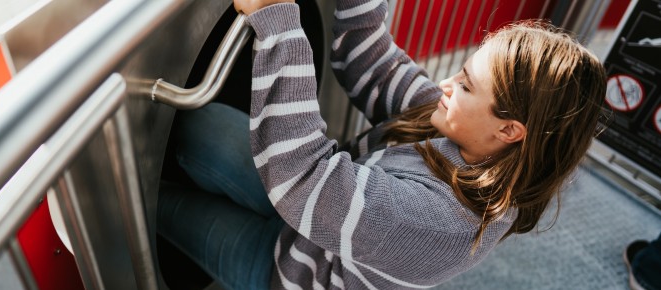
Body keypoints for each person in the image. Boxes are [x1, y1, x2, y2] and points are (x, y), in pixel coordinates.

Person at [157, 0, 608, 289]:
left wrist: (276, 19)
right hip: (316, 210)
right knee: (195, 128)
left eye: (467, 86)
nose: (446, 84)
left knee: (154, 207)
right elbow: (372, 62)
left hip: (290, 273)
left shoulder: (441, 224)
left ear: (510, 131)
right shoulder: (464, 130)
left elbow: (305, 180)